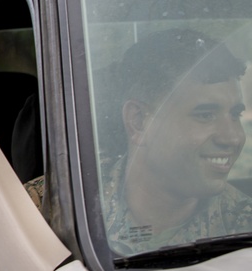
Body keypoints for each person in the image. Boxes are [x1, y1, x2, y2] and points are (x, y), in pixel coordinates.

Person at [97, 28, 252, 256]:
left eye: (234, 115)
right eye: (205, 115)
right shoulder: (55, 210)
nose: (233, 137)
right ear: (139, 121)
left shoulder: (244, 224)